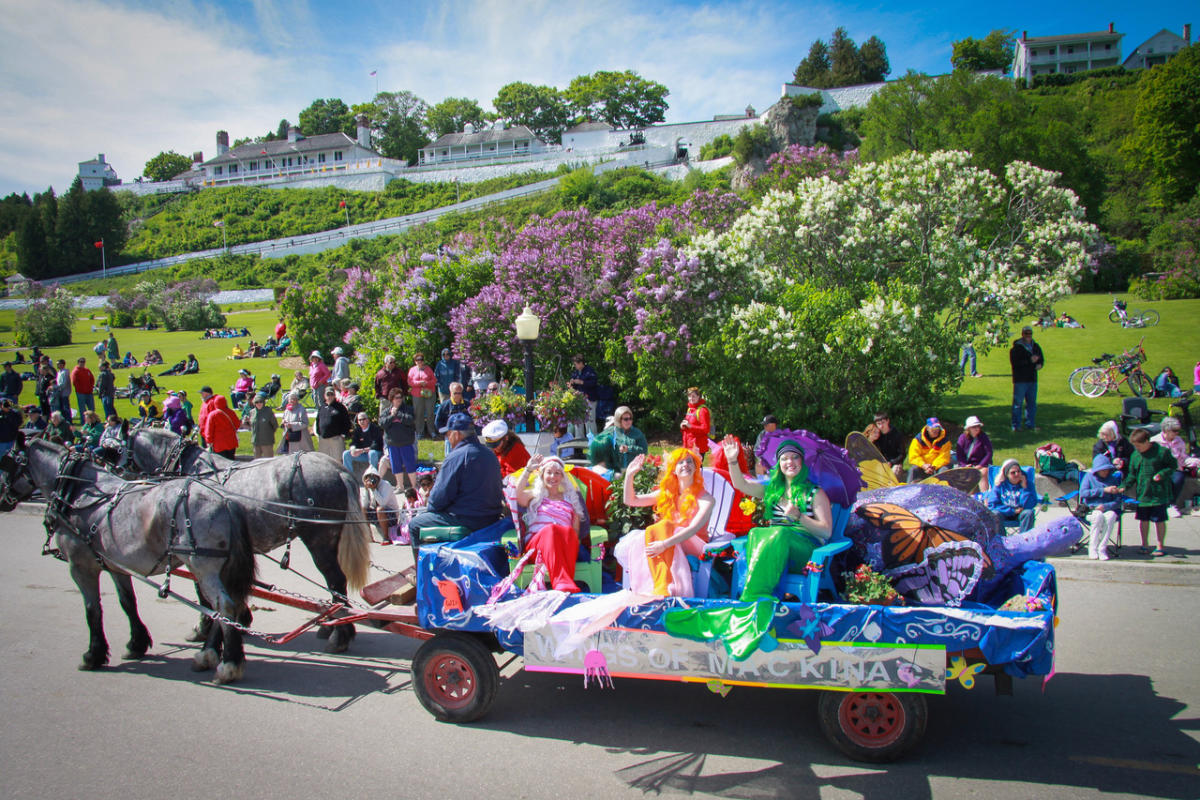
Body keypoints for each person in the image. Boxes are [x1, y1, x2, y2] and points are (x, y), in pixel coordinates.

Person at [722, 435, 833, 600]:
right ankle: (755, 597)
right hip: (774, 549)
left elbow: (826, 532)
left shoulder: (815, 493)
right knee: (755, 533)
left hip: (805, 552)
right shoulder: (772, 492)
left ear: (802, 462)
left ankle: (756, 598)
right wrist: (732, 460)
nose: (790, 462)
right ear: (779, 464)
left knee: (779, 533)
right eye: (785, 458)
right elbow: (741, 485)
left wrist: (799, 517)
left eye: (795, 457)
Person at [614, 449, 715, 597]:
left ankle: (662, 586)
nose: (685, 464)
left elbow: (693, 529)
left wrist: (665, 544)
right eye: (680, 462)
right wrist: (629, 475)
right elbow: (631, 501)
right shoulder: (667, 494)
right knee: (651, 532)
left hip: (694, 544)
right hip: (667, 542)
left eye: (689, 461)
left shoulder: (706, 499)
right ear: (673, 469)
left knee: (664, 525)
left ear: (696, 467)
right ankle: (659, 586)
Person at [407, 412, 506, 542]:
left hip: (467, 520)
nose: (447, 438)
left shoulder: (456, 457)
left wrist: (430, 509)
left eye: (448, 434)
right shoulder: (490, 454)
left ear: (456, 433)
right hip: (492, 517)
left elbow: (437, 500)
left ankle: (421, 562)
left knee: (414, 524)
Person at [513, 454, 589, 593]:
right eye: (549, 472)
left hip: (563, 545)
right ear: (542, 475)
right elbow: (517, 495)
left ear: (562, 477)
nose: (553, 477)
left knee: (568, 532)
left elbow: (575, 533)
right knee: (551, 530)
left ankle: (565, 580)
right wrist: (528, 469)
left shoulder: (570, 500)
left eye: (557, 473)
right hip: (537, 547)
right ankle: (562, 582)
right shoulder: (535, 496)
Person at [1122, 428, 1177, 557]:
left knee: (1159, 520)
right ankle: (1145, 544)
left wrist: (1162, 474)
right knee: (1143, 520)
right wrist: (1124, 486)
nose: (1137, 448)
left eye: (1139, 445)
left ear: (1147, 441)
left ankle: (1160, 545)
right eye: (1135, 446)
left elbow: (1172, 466)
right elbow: (1132, 475)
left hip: (1158, 494)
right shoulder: (1135, 455)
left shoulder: (1162, 452)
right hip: (1143, 494)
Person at [1079, 453, 1124, 561]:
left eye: (1107, 469)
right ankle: (1092, 548)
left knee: (1111, 516)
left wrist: (1106, 506)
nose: (1105, 472)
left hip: (1107, 508)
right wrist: (1103, 490)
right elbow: (1083, 493)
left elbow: (1118, 500)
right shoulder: (1089, 477)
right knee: (1097, 516)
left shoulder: (1112, 479)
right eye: (1102, 470)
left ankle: (1102, 548)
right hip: (1091, 509)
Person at [1151, 417, 1199, 517]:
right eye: (1175, 431)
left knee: (1178, 479)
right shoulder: (1155, 441)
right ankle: (1163, 505)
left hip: (1175, 468)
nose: (1177, 433)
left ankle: (1170, 505)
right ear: (1166, 430)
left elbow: (1183, 458)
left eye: (1178, 431)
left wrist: (1194, 461)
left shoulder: (1179, 441)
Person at [588, 405, 648, 473]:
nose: (629, 421)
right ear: (618, 420)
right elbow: (598, 445)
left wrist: (629, 448)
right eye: (626, 419)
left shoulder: (637, 433)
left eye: (630, 418)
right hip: (614, 471)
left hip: (633, 470)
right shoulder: (610, 432)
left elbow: (644, 450)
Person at [984, 458, 1037, 533]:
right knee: (995, 514)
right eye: (1013, 472)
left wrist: (1024, 488)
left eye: (1019, 471)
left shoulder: (1028, 484)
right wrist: (1012, 511)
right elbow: (992, 505)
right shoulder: (999, 485)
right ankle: (1002, 541)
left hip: (1020, 514)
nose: (1017, 474)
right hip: (1004, 513)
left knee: (1029, 513)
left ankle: (1023, 540)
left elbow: (1030, 505)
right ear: (1007, 475)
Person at [379, 388, 417, 491]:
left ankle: (414, 487)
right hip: (393, 444)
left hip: (406, 443)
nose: (399, 399)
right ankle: (400, 486)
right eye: (397, 398)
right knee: (396, 467)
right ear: (391, 399)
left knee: (410, 465)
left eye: (401, 397)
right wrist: (392, 416)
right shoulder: (386, 411)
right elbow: (382, 423)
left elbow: (410, 420)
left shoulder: (408, 409)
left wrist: (398, 414)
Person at [1009, 325, 1044, 431]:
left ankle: (1031, 424)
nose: (1028, 336)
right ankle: (1016, 426)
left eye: (1030, 333)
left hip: (1032, 379)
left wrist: (1040, 365)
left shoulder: (1035, 346)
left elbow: (1041, 359)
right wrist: (1030, 361)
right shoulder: (1016, 348)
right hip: (1020, 380)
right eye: (1026, 333)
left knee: (1032, 404)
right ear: (1022, 334)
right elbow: (1015, 363)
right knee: (1018, 404)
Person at [360, 466, 401, 544]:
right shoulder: (368, 487)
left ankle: (386, 537)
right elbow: (364, 504)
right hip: (377, 515)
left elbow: (382, 503)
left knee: (380, 509)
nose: (372, 481)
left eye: (373, 478)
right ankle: (369, 536)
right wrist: (366, 490)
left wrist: (374, 489)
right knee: (363, 509)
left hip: (391, 515)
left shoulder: (385, 485)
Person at [954, 415, 993, 491]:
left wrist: (980, 465)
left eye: (978, 426)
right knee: (965, 475)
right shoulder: (962, 438)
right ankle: (970, 498)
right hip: (968, 464)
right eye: (974, 427)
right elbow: (960, 454)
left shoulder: (983, 437)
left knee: (982, 474)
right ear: (968, 428)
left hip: (982, 464)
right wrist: (964, 465)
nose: (977, 428)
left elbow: (989, 453)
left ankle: (985, 498)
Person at [906, 417, 951, 482]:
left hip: (936, 468)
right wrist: (924, 465)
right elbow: (914, 457)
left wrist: (933, 467)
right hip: (922, 467)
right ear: (927, 428)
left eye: (937, 427)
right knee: (913, 469)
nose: (935, 430)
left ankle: (944, 490)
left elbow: (944, 458)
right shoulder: (917, 440)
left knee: (944, 470)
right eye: (933, 428)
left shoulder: (945, 441)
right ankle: (909, 490)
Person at [865, 411, 906, 481]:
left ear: (888, 421)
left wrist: (891, 462)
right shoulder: (877, 435)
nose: (881, 426)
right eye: (879, 424)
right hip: (881, 464)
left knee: (893, 473)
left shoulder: (897, 435)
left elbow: (902, 454)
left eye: (883, 422)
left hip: (895, 463)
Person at [314, 386, 351, 462]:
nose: (330, 396)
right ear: (324, 396)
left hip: (336, 439)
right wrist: (319, 433)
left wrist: (344, 434)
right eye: (328, 395)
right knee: (323, 461)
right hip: (323, 439)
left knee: (338, 461)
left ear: (334, 395)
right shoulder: (322, 407)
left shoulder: (340, 407)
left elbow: (347, 422)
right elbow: (318, 421)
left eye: (331, 394)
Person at [567, 354, 599, 438]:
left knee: (590, 422)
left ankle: (592, 441)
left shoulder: (590, 371)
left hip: (589, 400)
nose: (575, 366)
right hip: (579, 400)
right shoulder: (575, 373)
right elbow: (574, 386)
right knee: (578, 422)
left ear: (581, 363)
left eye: (576, 364)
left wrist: (582, 382)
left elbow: (593, 383)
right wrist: (571, 384)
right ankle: (579, 443)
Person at [407, 352, 438, 440]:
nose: (419, 361)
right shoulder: (412, 370)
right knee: (418, 413)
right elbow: (410, 382)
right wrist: (419, 383)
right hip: (417, 394)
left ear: (423, 361)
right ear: (415, 361)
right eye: (417, 360)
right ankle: (420, 432)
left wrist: (426, 383)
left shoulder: (428, 369)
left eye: (421, 359)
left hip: (429, 394)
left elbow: (434, 380)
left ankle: (431, 431)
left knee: (430, 413)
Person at [434, 382, 470, 454]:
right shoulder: (444, 405)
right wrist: (447, 432)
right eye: (455, 393)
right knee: (450, 457)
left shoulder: (467, 404)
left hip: (465, 436)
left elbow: (472, 419)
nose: (457, 395)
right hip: (451, 437)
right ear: (450, 393)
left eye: (459, 393)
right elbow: (438, 423)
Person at [201, 395, 240, 459]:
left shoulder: (212, 415)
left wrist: (209, 441)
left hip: (219, 444)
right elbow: (237, 424)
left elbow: (209, 430)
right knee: (231, 460)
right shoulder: (231, 412)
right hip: (231, 442)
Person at [244, 393, 278, 459]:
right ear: (254, 403)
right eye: (257, 402)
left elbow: (275, 425)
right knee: (257, 462)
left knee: (268, 461)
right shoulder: (252, 412)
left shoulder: (269, 411)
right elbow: (252, 425)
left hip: (267, 442)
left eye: (260, 402)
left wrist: (269, 433)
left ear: (263, 402)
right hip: (256, 442)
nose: (259, 404)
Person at [679, 387, 711, 456]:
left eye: (693, 396)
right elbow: (688, 428)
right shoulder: (690, 409)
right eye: (689, 396)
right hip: (688, 445)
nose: (691, 398)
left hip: (698, 447)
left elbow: (706, 429)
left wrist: (691, 426)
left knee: (696, 466)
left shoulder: (702, 410)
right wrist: (683, 427)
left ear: (698, 397)